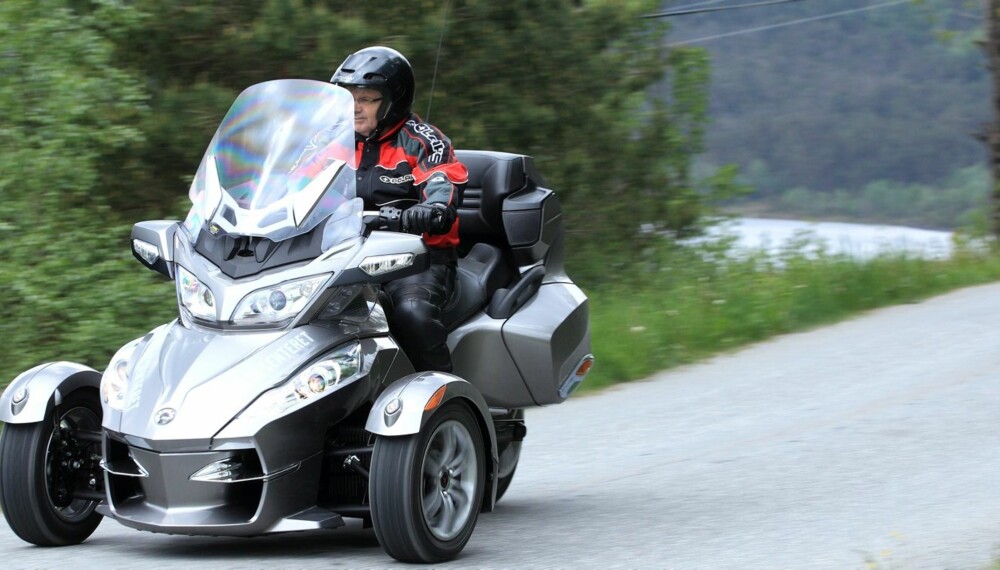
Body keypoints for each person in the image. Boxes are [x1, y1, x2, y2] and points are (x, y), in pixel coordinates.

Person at [331, 46, 468, 373]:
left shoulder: (424, 141)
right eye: (349, 98)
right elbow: (290, 181)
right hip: (343, 255)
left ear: (392, 102)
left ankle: (444, 402)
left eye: (366, 99)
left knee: (411, 313)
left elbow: (442, 180)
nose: (355, 108)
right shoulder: (329, 140)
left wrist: (431, 209)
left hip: (415, 260)